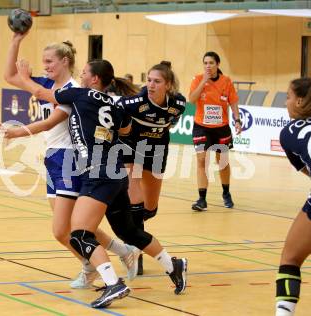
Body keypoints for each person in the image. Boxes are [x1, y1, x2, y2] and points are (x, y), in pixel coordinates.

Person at [14, 58, 188, 308]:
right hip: (116, 171)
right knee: (129, 232)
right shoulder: (115, 105)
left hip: (98, 171)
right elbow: (127, 130)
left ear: (94, 79)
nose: (81, 75)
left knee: (80, 234)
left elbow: (42, 93)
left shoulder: (78, 94)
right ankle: (174, 265)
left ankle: (113, 284)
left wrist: (24, 77)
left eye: (84, 72)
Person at [2, 32, 138, 289]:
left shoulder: (74, 91)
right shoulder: (49, 84)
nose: (45, 66)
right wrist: (16, 41)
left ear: (65, 61)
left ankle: (95, 267)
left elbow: (48, 123)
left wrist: (17, 131)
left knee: (62, 230)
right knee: (72, 227)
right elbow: (9, 76)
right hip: (53, 159)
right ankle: (120, 252)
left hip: (70, 160)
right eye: (43, 62)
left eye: (50, 61)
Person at [119, 61, 186, 274]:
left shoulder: (179, 104)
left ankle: (134, 225)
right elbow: (114, 111)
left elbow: (171, 122)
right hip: (133, 148)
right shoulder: (134, 102)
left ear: (168, 85)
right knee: (134, 197)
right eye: (149, 80)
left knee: (150, 208)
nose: (151, 85)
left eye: (157, 81)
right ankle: (135, 249)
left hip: (157, 152)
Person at [275, 77, 311, 316]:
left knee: (290, 258)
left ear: (299, 100)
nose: (286, 103)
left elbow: (305, 169)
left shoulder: (290, 132)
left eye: (288, 97)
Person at [189, 51, 242, 212]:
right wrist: (203, 82)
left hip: (221, 128)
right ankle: (202, 199)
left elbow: (233, 103)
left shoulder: (226, 82)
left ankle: (226, 192)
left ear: (217, 64)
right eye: (205, 63)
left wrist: (237, 120)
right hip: (201, 126)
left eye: (211, 63)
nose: (208, 66)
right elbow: (191, 100)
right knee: (201, 160)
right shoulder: (198, 79)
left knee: (222, 162)